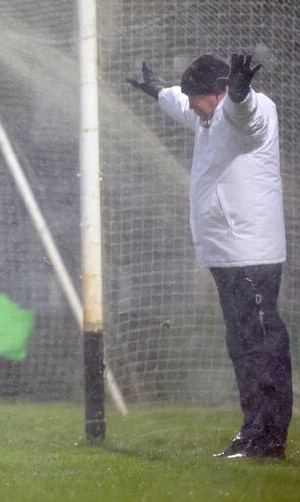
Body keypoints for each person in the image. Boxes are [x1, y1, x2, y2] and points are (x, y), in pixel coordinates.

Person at [129, 54, 292, 459]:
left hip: (250, 255)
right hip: (227, 254)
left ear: (218, 93)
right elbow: (186, 107)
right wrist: (158, 91)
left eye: (197, 96)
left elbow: (246, 116)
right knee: (242, 347)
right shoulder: (208, 118)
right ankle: (252, 432)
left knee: (261, 347)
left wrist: (241, 94)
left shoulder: (247, 113)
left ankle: (268, 441)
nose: (192, 105)